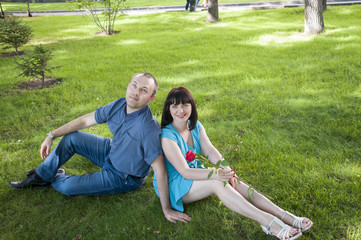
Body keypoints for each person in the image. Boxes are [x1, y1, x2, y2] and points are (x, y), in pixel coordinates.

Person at [9, 73, 191, 223]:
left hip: (123, 176)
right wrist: (51, 135)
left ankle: (55, 175)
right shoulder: (120, 104)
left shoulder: (148, 129)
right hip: (110, 151)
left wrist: (166, 209)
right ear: (128, 85)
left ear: (151, 98)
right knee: (72, 137)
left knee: (67, 187)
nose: (136, 92)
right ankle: (42, 176)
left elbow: (160, 170)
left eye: (143, 90)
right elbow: (86, 120)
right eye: (134, 85)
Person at [153, 87, 313, 239]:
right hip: (175, 184)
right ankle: (269, 223)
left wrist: (227, 169)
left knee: (235, 181)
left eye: (185, 105)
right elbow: (185, 172)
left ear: (192, 106)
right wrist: (216, 174)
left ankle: (284, 215)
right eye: (175, 106)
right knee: (217, 183)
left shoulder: (195, 126)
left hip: (194, 173)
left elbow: (210, 151)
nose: (180, 110)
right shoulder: (167, 136)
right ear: (168, 109)